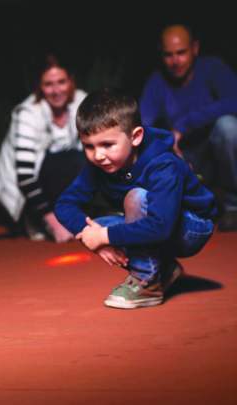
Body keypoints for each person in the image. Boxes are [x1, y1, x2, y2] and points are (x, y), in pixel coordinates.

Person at [55, 88, 216, 309]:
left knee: (135, 198)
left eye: (107, 145)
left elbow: (161, 226)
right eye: (89, 146)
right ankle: (166, 270)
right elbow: (65, 204)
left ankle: (146, 282)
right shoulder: (100, 164)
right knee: (94, 226)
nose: (98, 155)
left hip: (191, 228)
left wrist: (105, 236)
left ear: (136, 136)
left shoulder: (163, 164)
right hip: (159, 225)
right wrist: (93, 238)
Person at [140, 24, 237, 231]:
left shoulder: (213, 68)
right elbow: (143, 124)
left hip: (216, 154)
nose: (175, 61)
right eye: (169, 55)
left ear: (195, 48)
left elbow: (234, 101)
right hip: (183, 157)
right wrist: (165, 146)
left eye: (181, 53)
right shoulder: (157, 80)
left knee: (228, 128)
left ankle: (232, 206)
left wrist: (185, 124)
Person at [0, 54, 87, 242]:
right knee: (71, 160)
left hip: (57, 177)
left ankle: (75, 215)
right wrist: (53, 222)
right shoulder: (28, 113)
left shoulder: (81, 101)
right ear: (39, 87)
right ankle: (36, 219)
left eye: (61, 82)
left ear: (71, 82)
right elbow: (25, 175)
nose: (56, 90)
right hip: (22, 191)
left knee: (85, 158)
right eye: (48, 84)